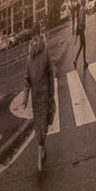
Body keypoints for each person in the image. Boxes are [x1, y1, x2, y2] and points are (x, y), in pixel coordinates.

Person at [28, 33, 55, 178]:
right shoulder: (30, 58)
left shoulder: (45, 54)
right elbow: (27, 78)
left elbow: (51, 74)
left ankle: (39, 157)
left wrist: (51, 95)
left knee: (42, 126)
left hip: (44, 97)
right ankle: (42, 150)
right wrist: (25, 96)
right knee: (39, 126)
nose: (34, 43)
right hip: (35, 99)